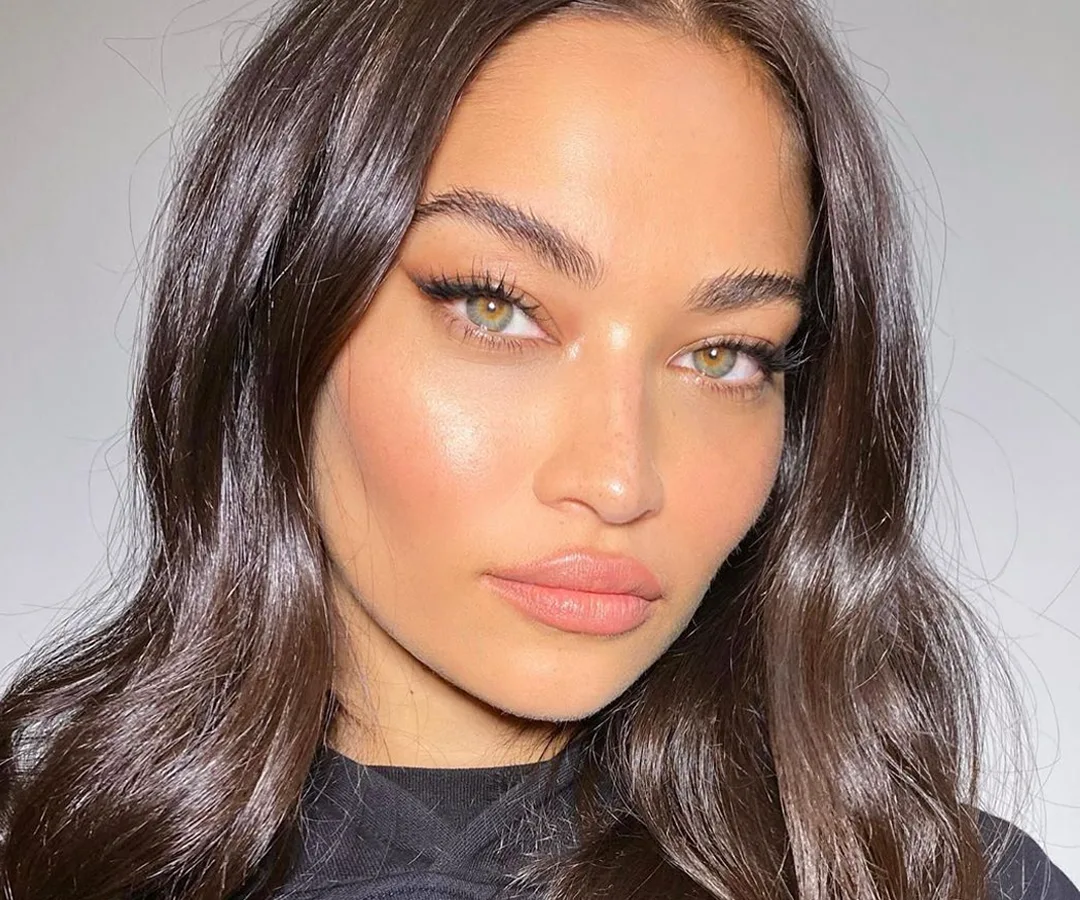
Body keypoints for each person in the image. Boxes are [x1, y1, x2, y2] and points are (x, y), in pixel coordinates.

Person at [0, 0, 1075, 898]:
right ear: (275, 313)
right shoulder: (39, 862)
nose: (619, 479)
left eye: (724, 356)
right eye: (496, 306)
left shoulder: (933, 881)